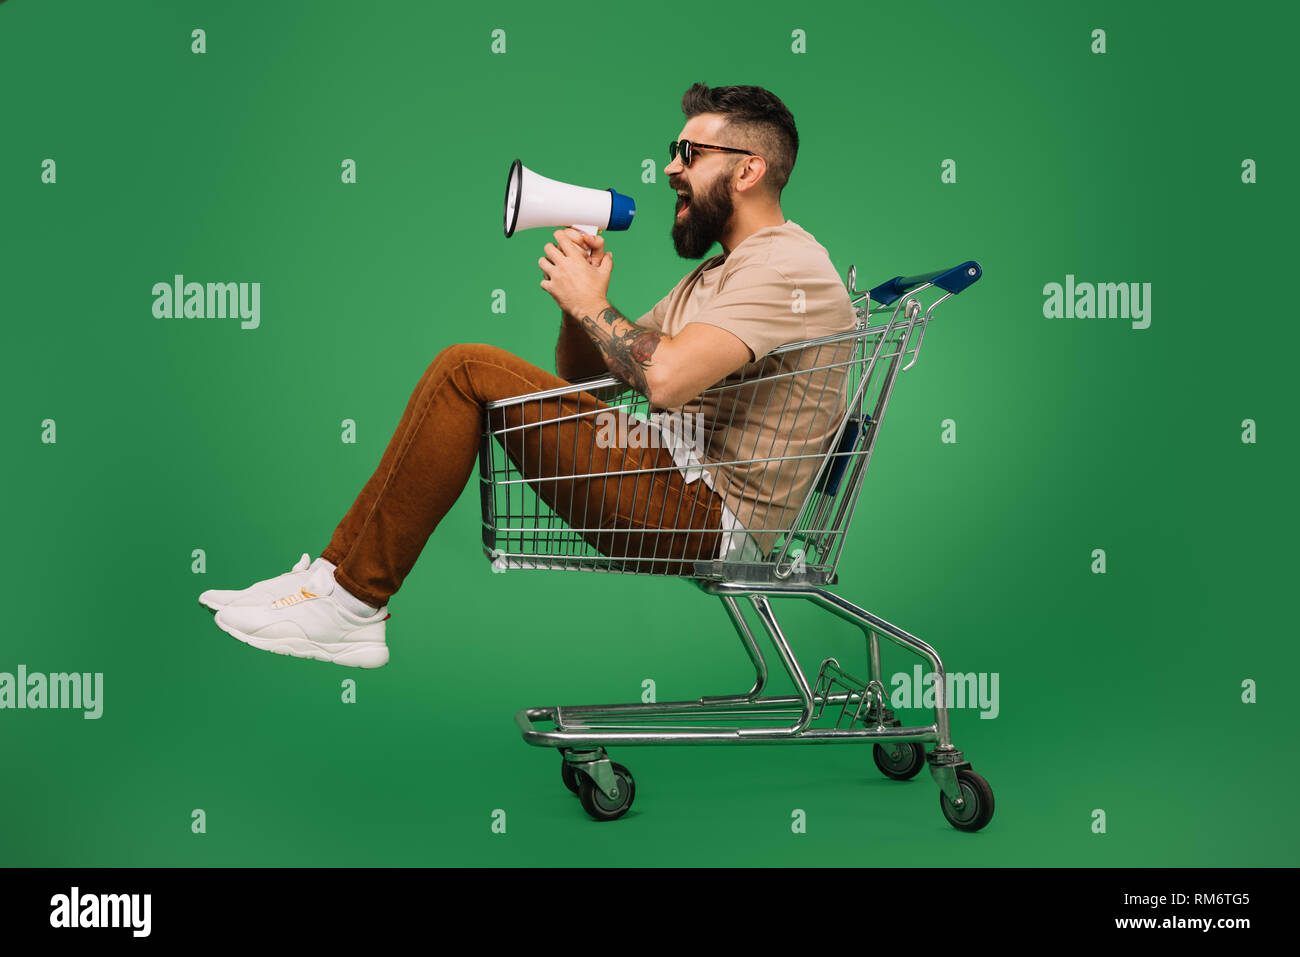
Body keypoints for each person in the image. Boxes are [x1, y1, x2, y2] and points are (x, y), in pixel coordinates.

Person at [199, 82, 858, 668]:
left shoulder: (785, 265)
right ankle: (331, 581)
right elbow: (588, 374)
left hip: (707, 513)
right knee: (470, 371)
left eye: (689, 154)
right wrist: (582, 310)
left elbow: (663, 380)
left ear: (749, 170)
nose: (668, 169)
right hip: (668, 478)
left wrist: (592, 304)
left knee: (467, 370)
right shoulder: (721, 273)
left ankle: (350, 604)